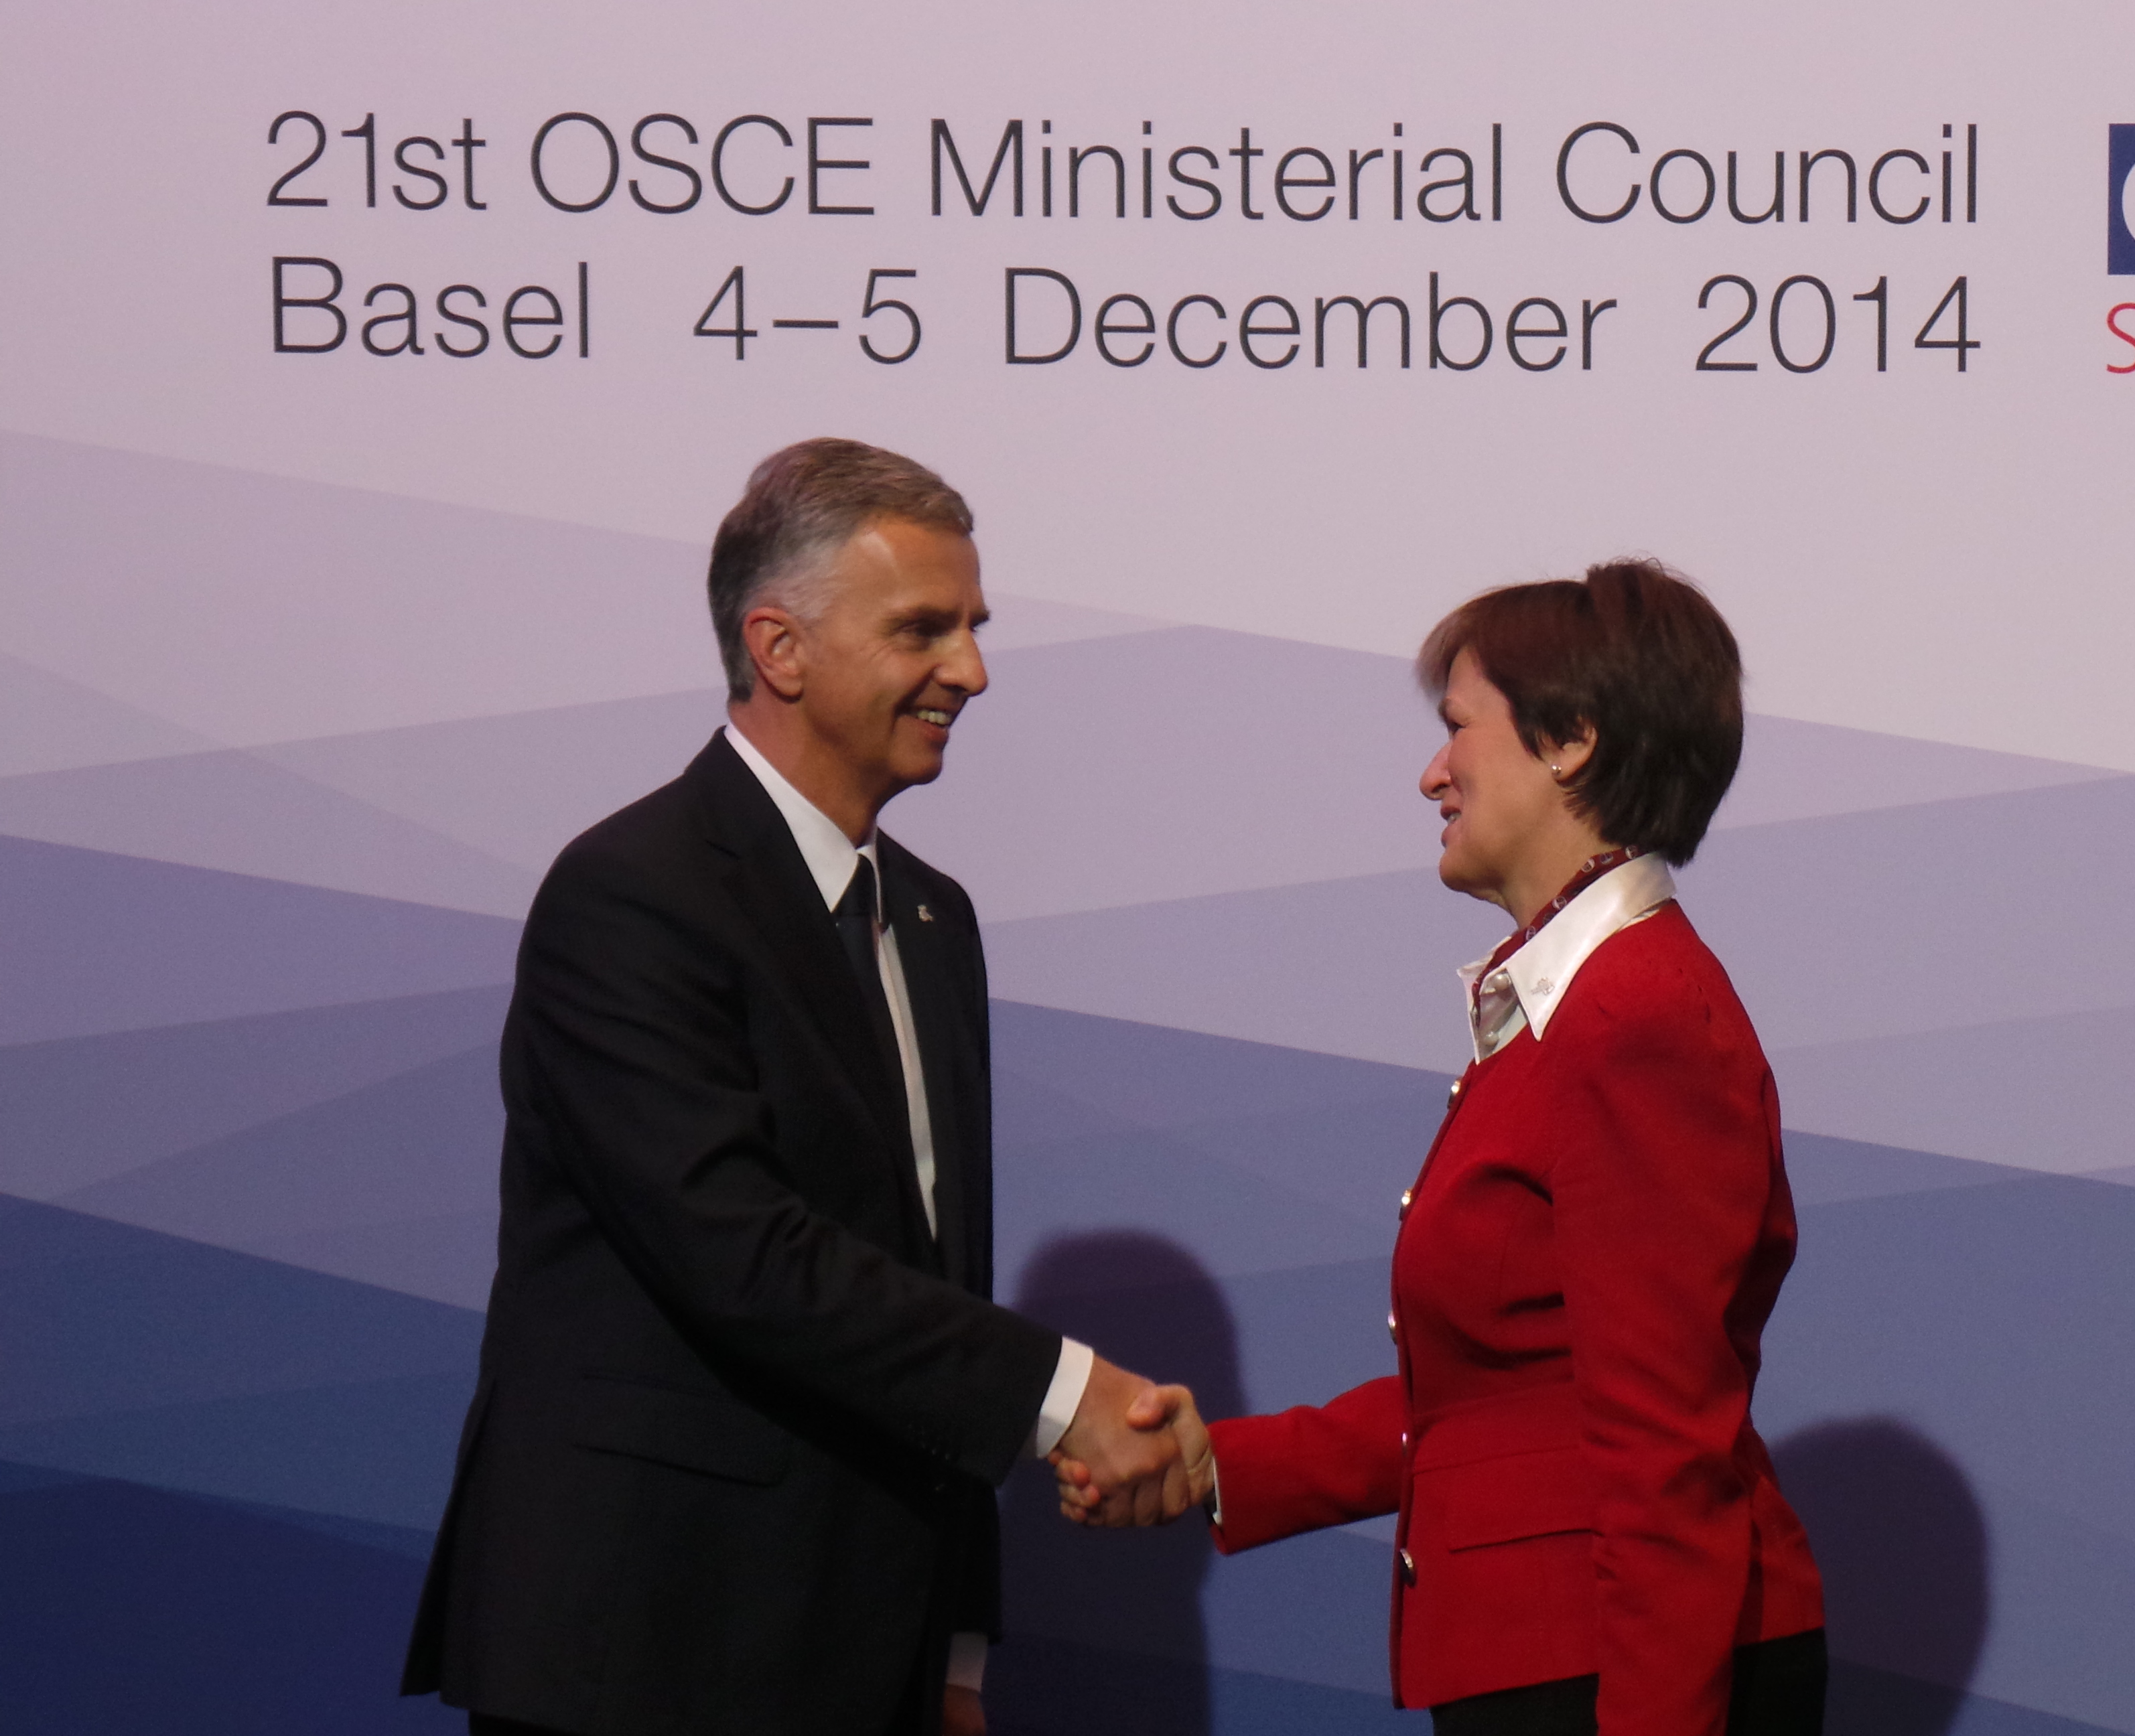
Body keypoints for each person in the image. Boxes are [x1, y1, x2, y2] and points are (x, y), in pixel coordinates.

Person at [403, 439, 1201, 1736]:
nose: (972, 672)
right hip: (646, 1649)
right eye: (923, 631)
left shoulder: (935, 920)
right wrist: (1066, 1398)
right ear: (779, 649)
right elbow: (742, 1254)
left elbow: (938, 1279)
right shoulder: (633, 894)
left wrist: (959, 1643)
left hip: (866, 1651)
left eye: (974, 628)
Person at [1058, 559, 1829, 1735]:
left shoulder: (1635, 1018)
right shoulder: (1575, 1010)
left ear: (1570, 740)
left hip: (1614, 1679)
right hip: (1544, 1664)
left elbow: (1665, 1446)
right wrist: (1222, 1465)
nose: (1432, 773)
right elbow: (1503, 1403)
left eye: (1457, 729)